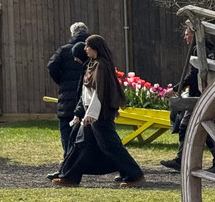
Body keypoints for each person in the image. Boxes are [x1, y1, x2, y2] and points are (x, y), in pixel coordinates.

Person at [52, 34, 145, 188]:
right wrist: (82, 113)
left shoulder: (101, 66)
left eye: (88, 46)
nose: (85, 49)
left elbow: (99, 93)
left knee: (111, 146)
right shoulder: (93, 64)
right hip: (91, 113)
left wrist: (91, 114)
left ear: (95, 48)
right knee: (81, 144)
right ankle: (69, 176)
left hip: (99, 114)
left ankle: (135, 175)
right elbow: (86, 92)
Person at [160, 24, 215, 174]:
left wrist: (176, 89)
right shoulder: (205, 49)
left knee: (186, 126)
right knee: (206, 128)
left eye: (187, 33)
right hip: (204, 93)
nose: (185, 37)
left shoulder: (198, 49)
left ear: (194, 34)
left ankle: (182, 160)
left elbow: (193, 75)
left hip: (199, 95)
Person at [46, 21, 89, 175]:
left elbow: (51, 66)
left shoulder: (64, 50)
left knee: (66, 131)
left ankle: (68, 164)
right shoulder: (93, 50)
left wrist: (61, 81)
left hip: (67, 96)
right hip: (87, 97)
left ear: (72, 34)